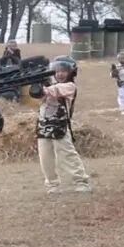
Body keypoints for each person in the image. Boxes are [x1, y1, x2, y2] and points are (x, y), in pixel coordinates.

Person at [34, 55, 91, 193]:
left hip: (60, 127)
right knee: (45, 157)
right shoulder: (48, 85)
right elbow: (39, 97)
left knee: (67, 154)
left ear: (71, 72)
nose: (60, 74)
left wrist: (43, 89)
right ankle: (52, 184)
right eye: (57, 70)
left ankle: (81, 181)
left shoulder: (70, 86)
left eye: (64, 71)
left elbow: (56, 91)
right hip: (43, 127)